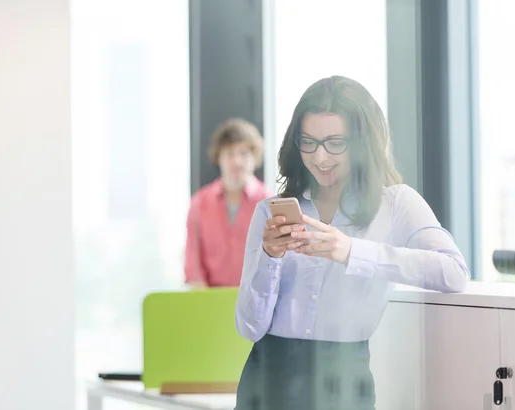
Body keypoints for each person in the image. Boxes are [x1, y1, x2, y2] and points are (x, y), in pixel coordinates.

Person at [234, 76, 470, 410]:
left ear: (362, 142)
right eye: (309, 142)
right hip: (265, 377)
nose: (320, 156)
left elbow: (454, 272)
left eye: (335, 143)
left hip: (344, 382)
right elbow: (249, 326)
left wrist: (352, 252)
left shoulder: (397, 204)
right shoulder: (271, 211)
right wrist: (270, 256)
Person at [184, 118, 273, 288]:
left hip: (259, 302)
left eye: (244, 153)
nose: (237, 161)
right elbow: (193, 267)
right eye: (229, 154)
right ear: (219, 158)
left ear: (255, 157)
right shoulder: (198, 204)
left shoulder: (271, 203)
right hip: (211, 303)